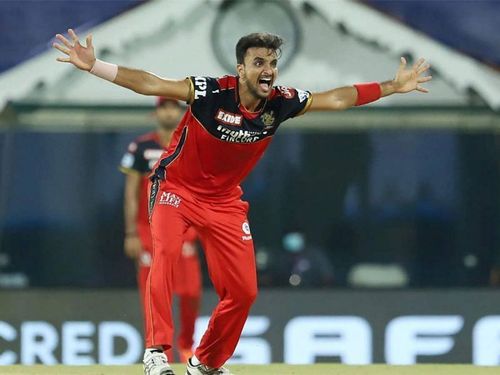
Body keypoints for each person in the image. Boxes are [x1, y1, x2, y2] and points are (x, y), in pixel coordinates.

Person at [53, 29, 432, 375]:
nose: (268, 70)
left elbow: (336, 99)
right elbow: (152, 83)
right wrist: (95, 66)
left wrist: (391, 87)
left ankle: (206, 362)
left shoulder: (281, 103)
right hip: (176, 189)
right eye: (259, 63)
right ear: (240, 68)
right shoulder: (211, 91)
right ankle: (156, 352)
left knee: (244, 292)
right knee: (164, 255)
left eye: (272, 63)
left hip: (224, 202)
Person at [119, 97, 202, 363]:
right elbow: (131, 192)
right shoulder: (142, 146)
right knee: (153, 295)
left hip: (184, 228)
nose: (169, 112)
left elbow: (201, 187)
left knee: (191, 292)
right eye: (164, 107)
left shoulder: (190, 143)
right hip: (148, 231)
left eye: (173, 107)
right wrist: (131, 232)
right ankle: (159, 352)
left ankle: (186, 344)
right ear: (157, 112)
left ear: (179, 112)